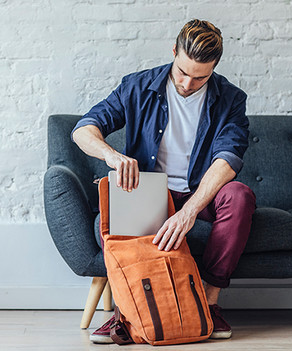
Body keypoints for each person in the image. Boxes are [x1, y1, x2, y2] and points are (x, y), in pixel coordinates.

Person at [72, 19, 256, 343]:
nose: (187, 83)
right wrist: (112, 156)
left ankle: (208, 304)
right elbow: (84, 130)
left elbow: (227, 160)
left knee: (240, 196)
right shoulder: (137, 86)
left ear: (214, 67)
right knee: (110, 218)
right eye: (183, 71)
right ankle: (127, 312)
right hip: (151, 190)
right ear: (174, 51)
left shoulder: (231, 98)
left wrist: (188, 212)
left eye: (200, 77)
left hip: (201, 192)